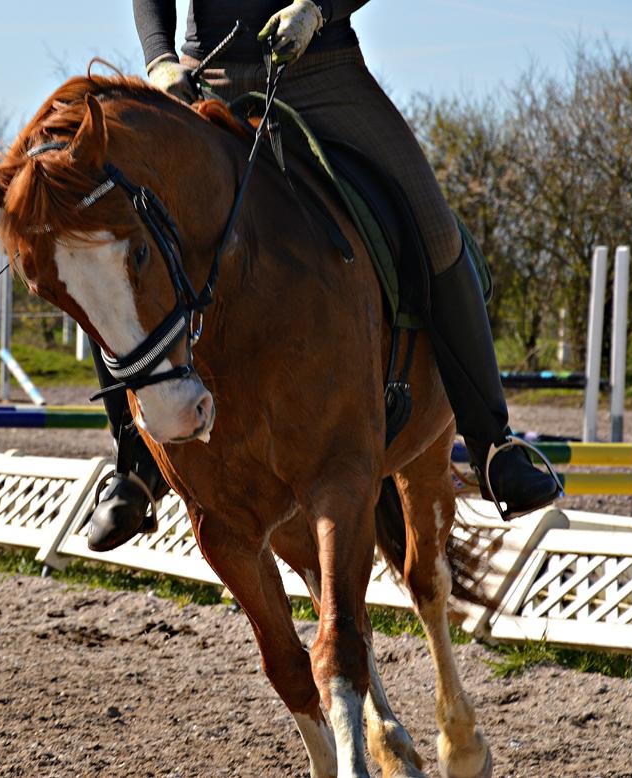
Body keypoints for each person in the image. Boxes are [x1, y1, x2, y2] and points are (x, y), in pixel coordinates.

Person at [84, 0, 562, 552]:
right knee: (106, 229)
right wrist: (160, 58)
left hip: (320, 69)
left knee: (436, 234)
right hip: (203, 75)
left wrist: (318, 8)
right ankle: (135, 465)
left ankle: (492, 444)